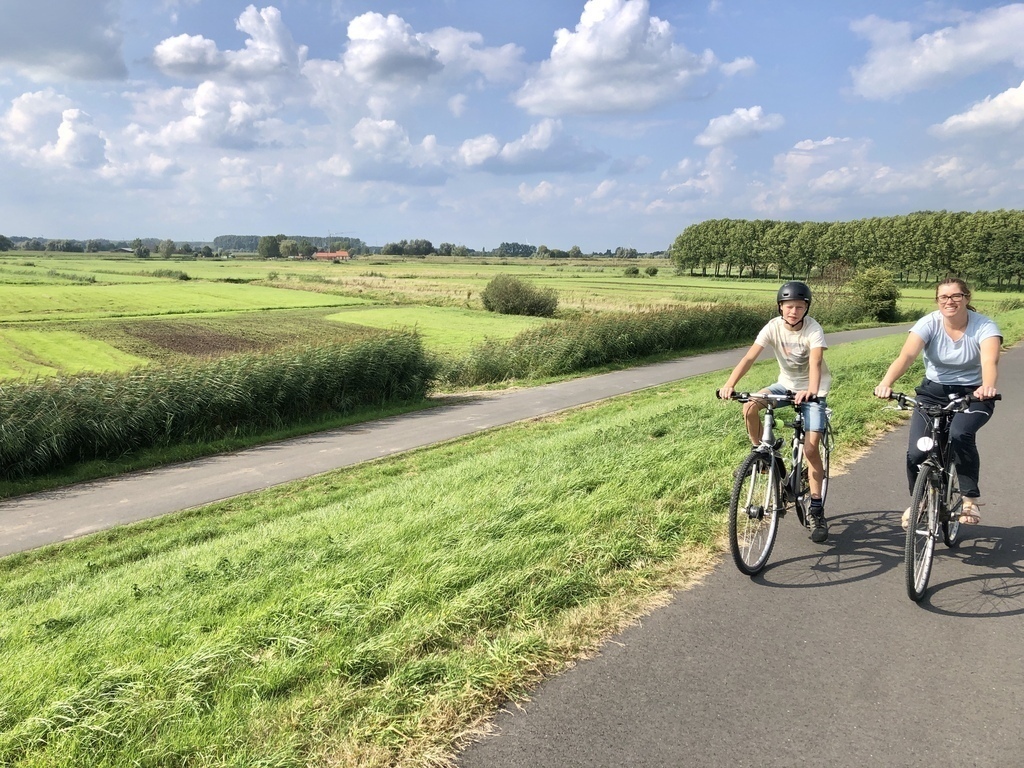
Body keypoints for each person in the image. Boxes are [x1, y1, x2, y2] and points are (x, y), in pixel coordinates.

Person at [873, 277, 1000, 527]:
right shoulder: (929, 323)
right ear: (937, 300)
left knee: (960, 434)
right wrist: (886, 383)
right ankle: (919, 501)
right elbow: (907, 355)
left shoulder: (984, 326)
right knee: (917, 451)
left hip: (973, 393)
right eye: (944, 297)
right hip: (933, 393)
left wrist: (987, 386)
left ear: (966, 298)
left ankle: (969, 500)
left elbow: (989, 361)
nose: (949, 301)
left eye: (955, 296)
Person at [719, 281, 832, 543]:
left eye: (799, 307)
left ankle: (816, 509)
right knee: (750, 406)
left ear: (806, 308)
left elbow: (816, 362)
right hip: (785, 386)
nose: (794, 311)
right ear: (780, 307)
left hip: (813, 390)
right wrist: (730, 384)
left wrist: (811, 391)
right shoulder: (772, 327)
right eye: (789, 306)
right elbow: (749, 357)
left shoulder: (813, 329)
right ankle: (762, 455)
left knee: (811, 449)